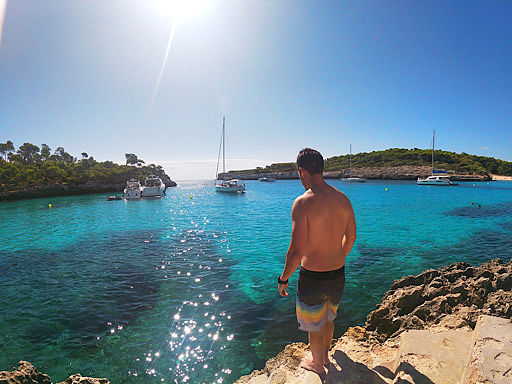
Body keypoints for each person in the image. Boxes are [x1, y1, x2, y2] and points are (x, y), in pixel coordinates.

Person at [278, 148, 356, 375]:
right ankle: (326, 357)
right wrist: (339, 256)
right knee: (329, 317)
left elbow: (295, 251)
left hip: (312, 277)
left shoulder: (303, 202)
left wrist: (283, 278)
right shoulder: (343, 198)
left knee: (314, 324)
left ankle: (317, 364)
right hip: (338, 273)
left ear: (302, 171)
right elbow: (351, 237)